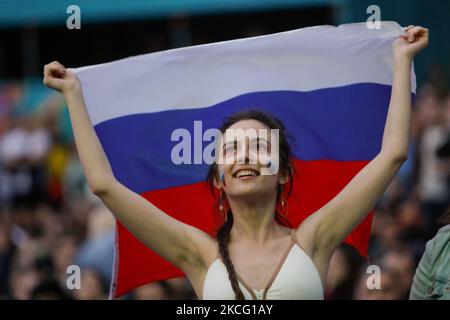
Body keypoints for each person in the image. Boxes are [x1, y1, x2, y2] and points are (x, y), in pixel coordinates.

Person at [42, 26, 428, 300]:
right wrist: (73, 95)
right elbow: (103, 184)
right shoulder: (198, 253)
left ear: (282, 174)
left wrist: (400, 59)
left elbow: (392, 154)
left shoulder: (315, 239)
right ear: (218, 181)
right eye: (231, 150)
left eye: (259, 146)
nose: (244, 156)